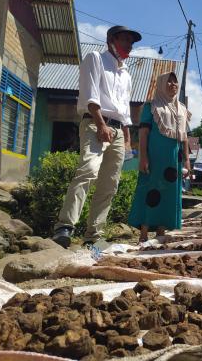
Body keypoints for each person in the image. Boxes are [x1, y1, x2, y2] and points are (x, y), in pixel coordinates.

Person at [52, 25, 142, 248]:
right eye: (125, 40)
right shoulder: (95, 59)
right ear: (111, 40)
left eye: (132, 42)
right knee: (88, 170)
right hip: (95, 122)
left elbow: (124, 110)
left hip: (119, 130)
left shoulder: (126, 74)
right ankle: (64, 226)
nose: (129, 46)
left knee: (110, 183)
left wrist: (128, 139)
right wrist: (101, 124)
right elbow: (90, 95)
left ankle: (94, 234)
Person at [128, 72, 191, 243]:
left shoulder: (182, 108)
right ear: (161, 84)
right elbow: (143, 132)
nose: (172, 84)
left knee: (169, 192)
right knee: (151, 190)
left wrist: (186, 160)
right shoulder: (152, 105)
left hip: (174, 159)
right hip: (155, 156)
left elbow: (184, 137)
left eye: (175, 82)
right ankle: (144, 232)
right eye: (168, 82)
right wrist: (143, 157)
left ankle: (161, 230)